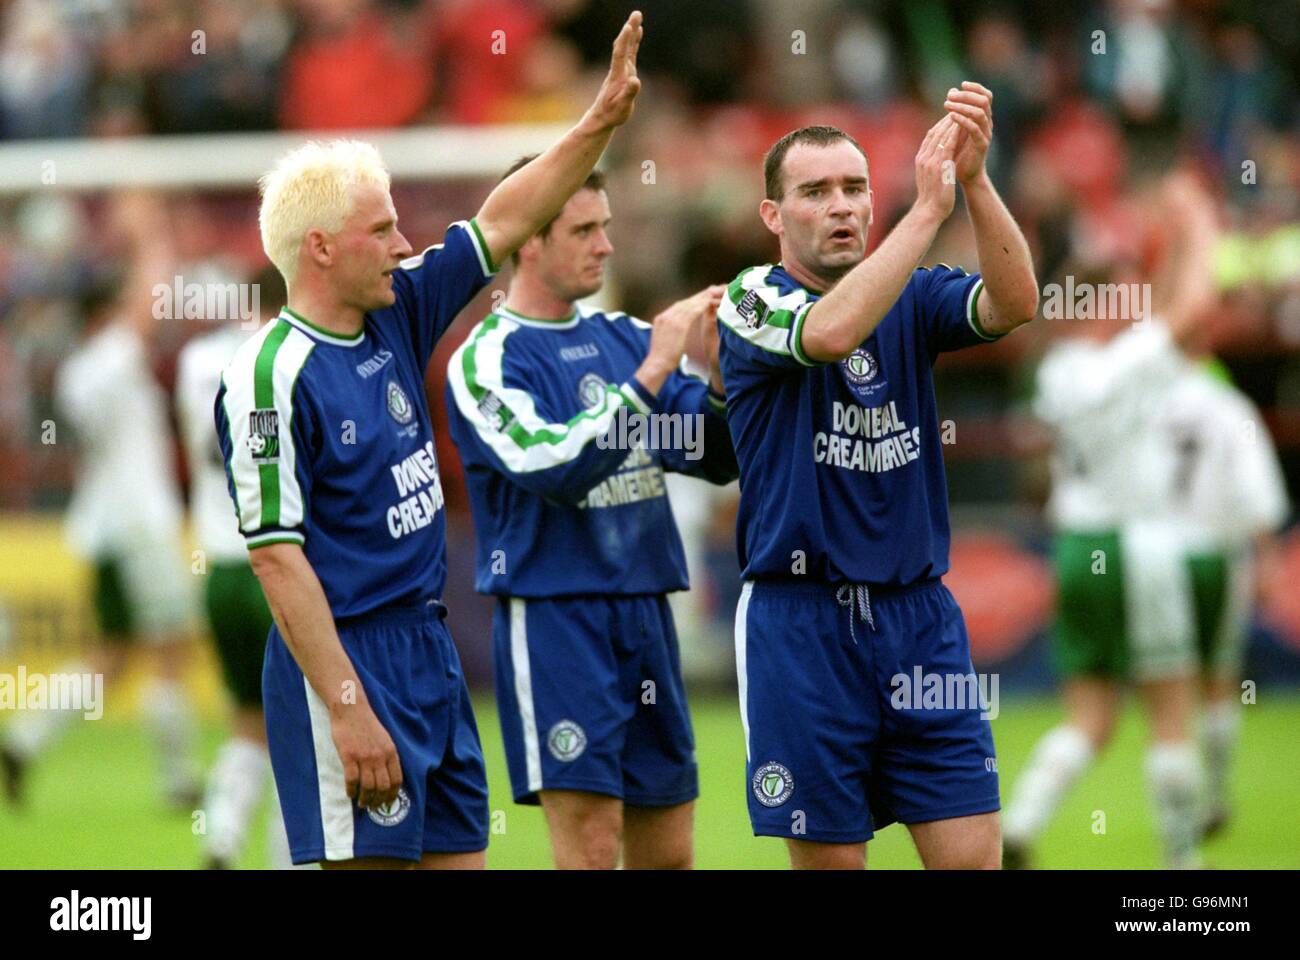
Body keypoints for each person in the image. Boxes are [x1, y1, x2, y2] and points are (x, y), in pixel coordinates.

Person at [214, 11, 645, 870]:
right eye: (382, 231)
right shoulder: (269, 374)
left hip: (429, 649)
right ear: (321, 247)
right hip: (349, 658)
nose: (404, 244)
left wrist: (597, 122)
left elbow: (502, 221)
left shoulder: (397, 313)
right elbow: (275, 559)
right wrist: (345, 705)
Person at [717, 84, 1039, 870]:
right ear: (774, 216)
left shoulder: (913, 295)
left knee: (973, 861)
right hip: (804, 624)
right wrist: (924, 214)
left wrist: (977, 182)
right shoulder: (752, 299)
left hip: (920, 619)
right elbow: (828, 332)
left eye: (855, 188)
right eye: (816, 192)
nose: (842, 207)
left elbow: (1017, 302)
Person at [444, 155, 736, 869]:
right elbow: (555, 465)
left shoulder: (623, 338)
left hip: (644, 612)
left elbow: (711, 453)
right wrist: (649, 377)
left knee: (669, 854)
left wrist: (725, 378)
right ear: (528, 242)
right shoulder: (487, 359)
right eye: (583, 230)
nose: (604, 246)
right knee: (591, 848)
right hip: (556, 618)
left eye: (604, 228)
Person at [1003, 173, 1229, 869]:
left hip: (1078, 546)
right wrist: (1197, 223)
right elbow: (1196, 307)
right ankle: (1183, 867)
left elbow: (1166, 312)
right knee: (1170, 710)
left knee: (1090, 716)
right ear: (1105, 301)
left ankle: (1021, 822)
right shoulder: (1124, 362)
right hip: (1143, 543)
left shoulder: (1060, 369)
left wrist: (1160, 251)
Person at [3, 194, 201, 811]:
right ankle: (177, 780)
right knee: (173, 648)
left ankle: (23, 740)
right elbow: (150, 305)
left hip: (106, 522)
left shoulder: (78, 370)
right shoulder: (109, 358)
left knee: (110, 657)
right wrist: (149, 235)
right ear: (102, 315)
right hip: (140, 523)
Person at [176, 265, 296, 869]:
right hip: (273, 564)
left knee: (248, 721)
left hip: (218, 570)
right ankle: (285, 861)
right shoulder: (288, 356)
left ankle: (221, 838)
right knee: (300, 733)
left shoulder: (197, 358)